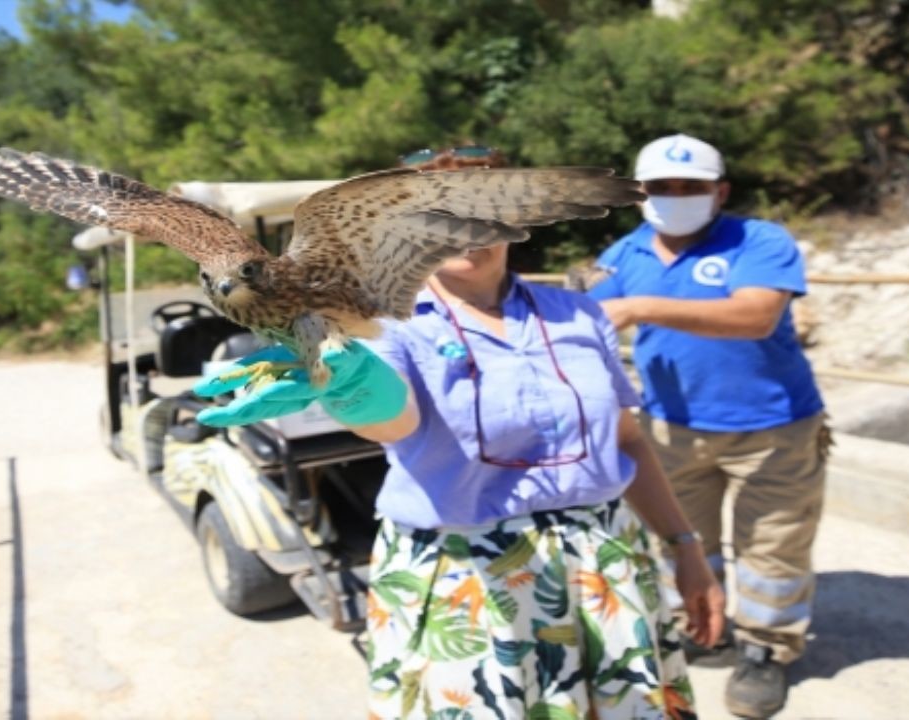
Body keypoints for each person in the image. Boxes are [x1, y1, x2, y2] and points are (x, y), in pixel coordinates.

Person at [196, 145, 725, 719]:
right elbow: (392, 421)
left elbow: (627, 441)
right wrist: (354, 388)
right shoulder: (378, 321)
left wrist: (686, 546)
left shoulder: (579, 314)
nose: (464, 231)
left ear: (512, 218)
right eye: (442, 216)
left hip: (606, 568)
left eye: (481, 209)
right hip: (464, 576)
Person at [587, 134, 831, 720]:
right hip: (670, 430)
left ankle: (765, 650)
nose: (676, 196)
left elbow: (754, 315)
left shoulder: (759, 241)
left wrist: (641, 308)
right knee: (682, 541)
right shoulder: (626, 253)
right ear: (639, 195)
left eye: (690, 187)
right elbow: (584, 317)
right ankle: (702, 626)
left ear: (719, 191)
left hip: (774, 430)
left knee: (772, 549)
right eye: (661, 188)